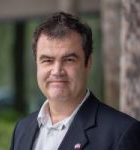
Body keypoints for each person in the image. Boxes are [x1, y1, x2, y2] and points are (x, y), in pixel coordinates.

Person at [10, 12, 140, 150]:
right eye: (47, 60)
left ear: (88, 63)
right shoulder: (22, 129)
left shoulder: (122, 133)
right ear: (37, 64)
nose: (57, 71)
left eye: (69, 60)